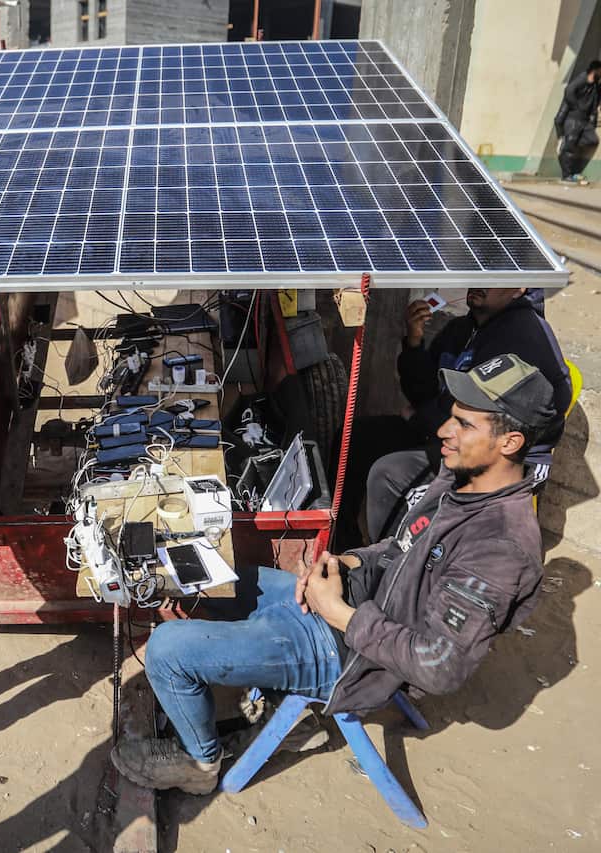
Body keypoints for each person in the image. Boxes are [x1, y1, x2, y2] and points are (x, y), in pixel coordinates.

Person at [112, 353, 553, 793]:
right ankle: (272, 693)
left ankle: (200, 764)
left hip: (353, 656)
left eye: (464, 424)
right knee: (209, 579)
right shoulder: (461, 481)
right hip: (349, 605)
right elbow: (399, 547)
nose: (443, 431)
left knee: (167, 650)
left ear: (510, 442)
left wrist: (338, 613)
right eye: (450, 418)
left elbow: (438, 667)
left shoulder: (499, 548)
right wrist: (346, 562)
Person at [336, 287, 570, 548]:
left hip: (496, 453)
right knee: (355, 439)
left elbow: (494, 425)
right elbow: (424, 394)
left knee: (391, 474)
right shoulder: (462, 328)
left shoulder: (523, 336)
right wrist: (414, 343)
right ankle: (346, 549)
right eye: (477, 271)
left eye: (491, 277)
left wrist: (420, 419)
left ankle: (393, 568)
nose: (479, 282)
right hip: (447, 429)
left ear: (519, 289)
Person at [555, 59, 601, 184]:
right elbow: (568, 90)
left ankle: (567, 144)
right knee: (569, 148)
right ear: (595, 70)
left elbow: (595, 104)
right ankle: (566, 175)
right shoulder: (582, 79)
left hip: (585, 121)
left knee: (592, 140)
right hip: (574, 118)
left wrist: (593, 119)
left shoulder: (595, 85)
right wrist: (576, 107)